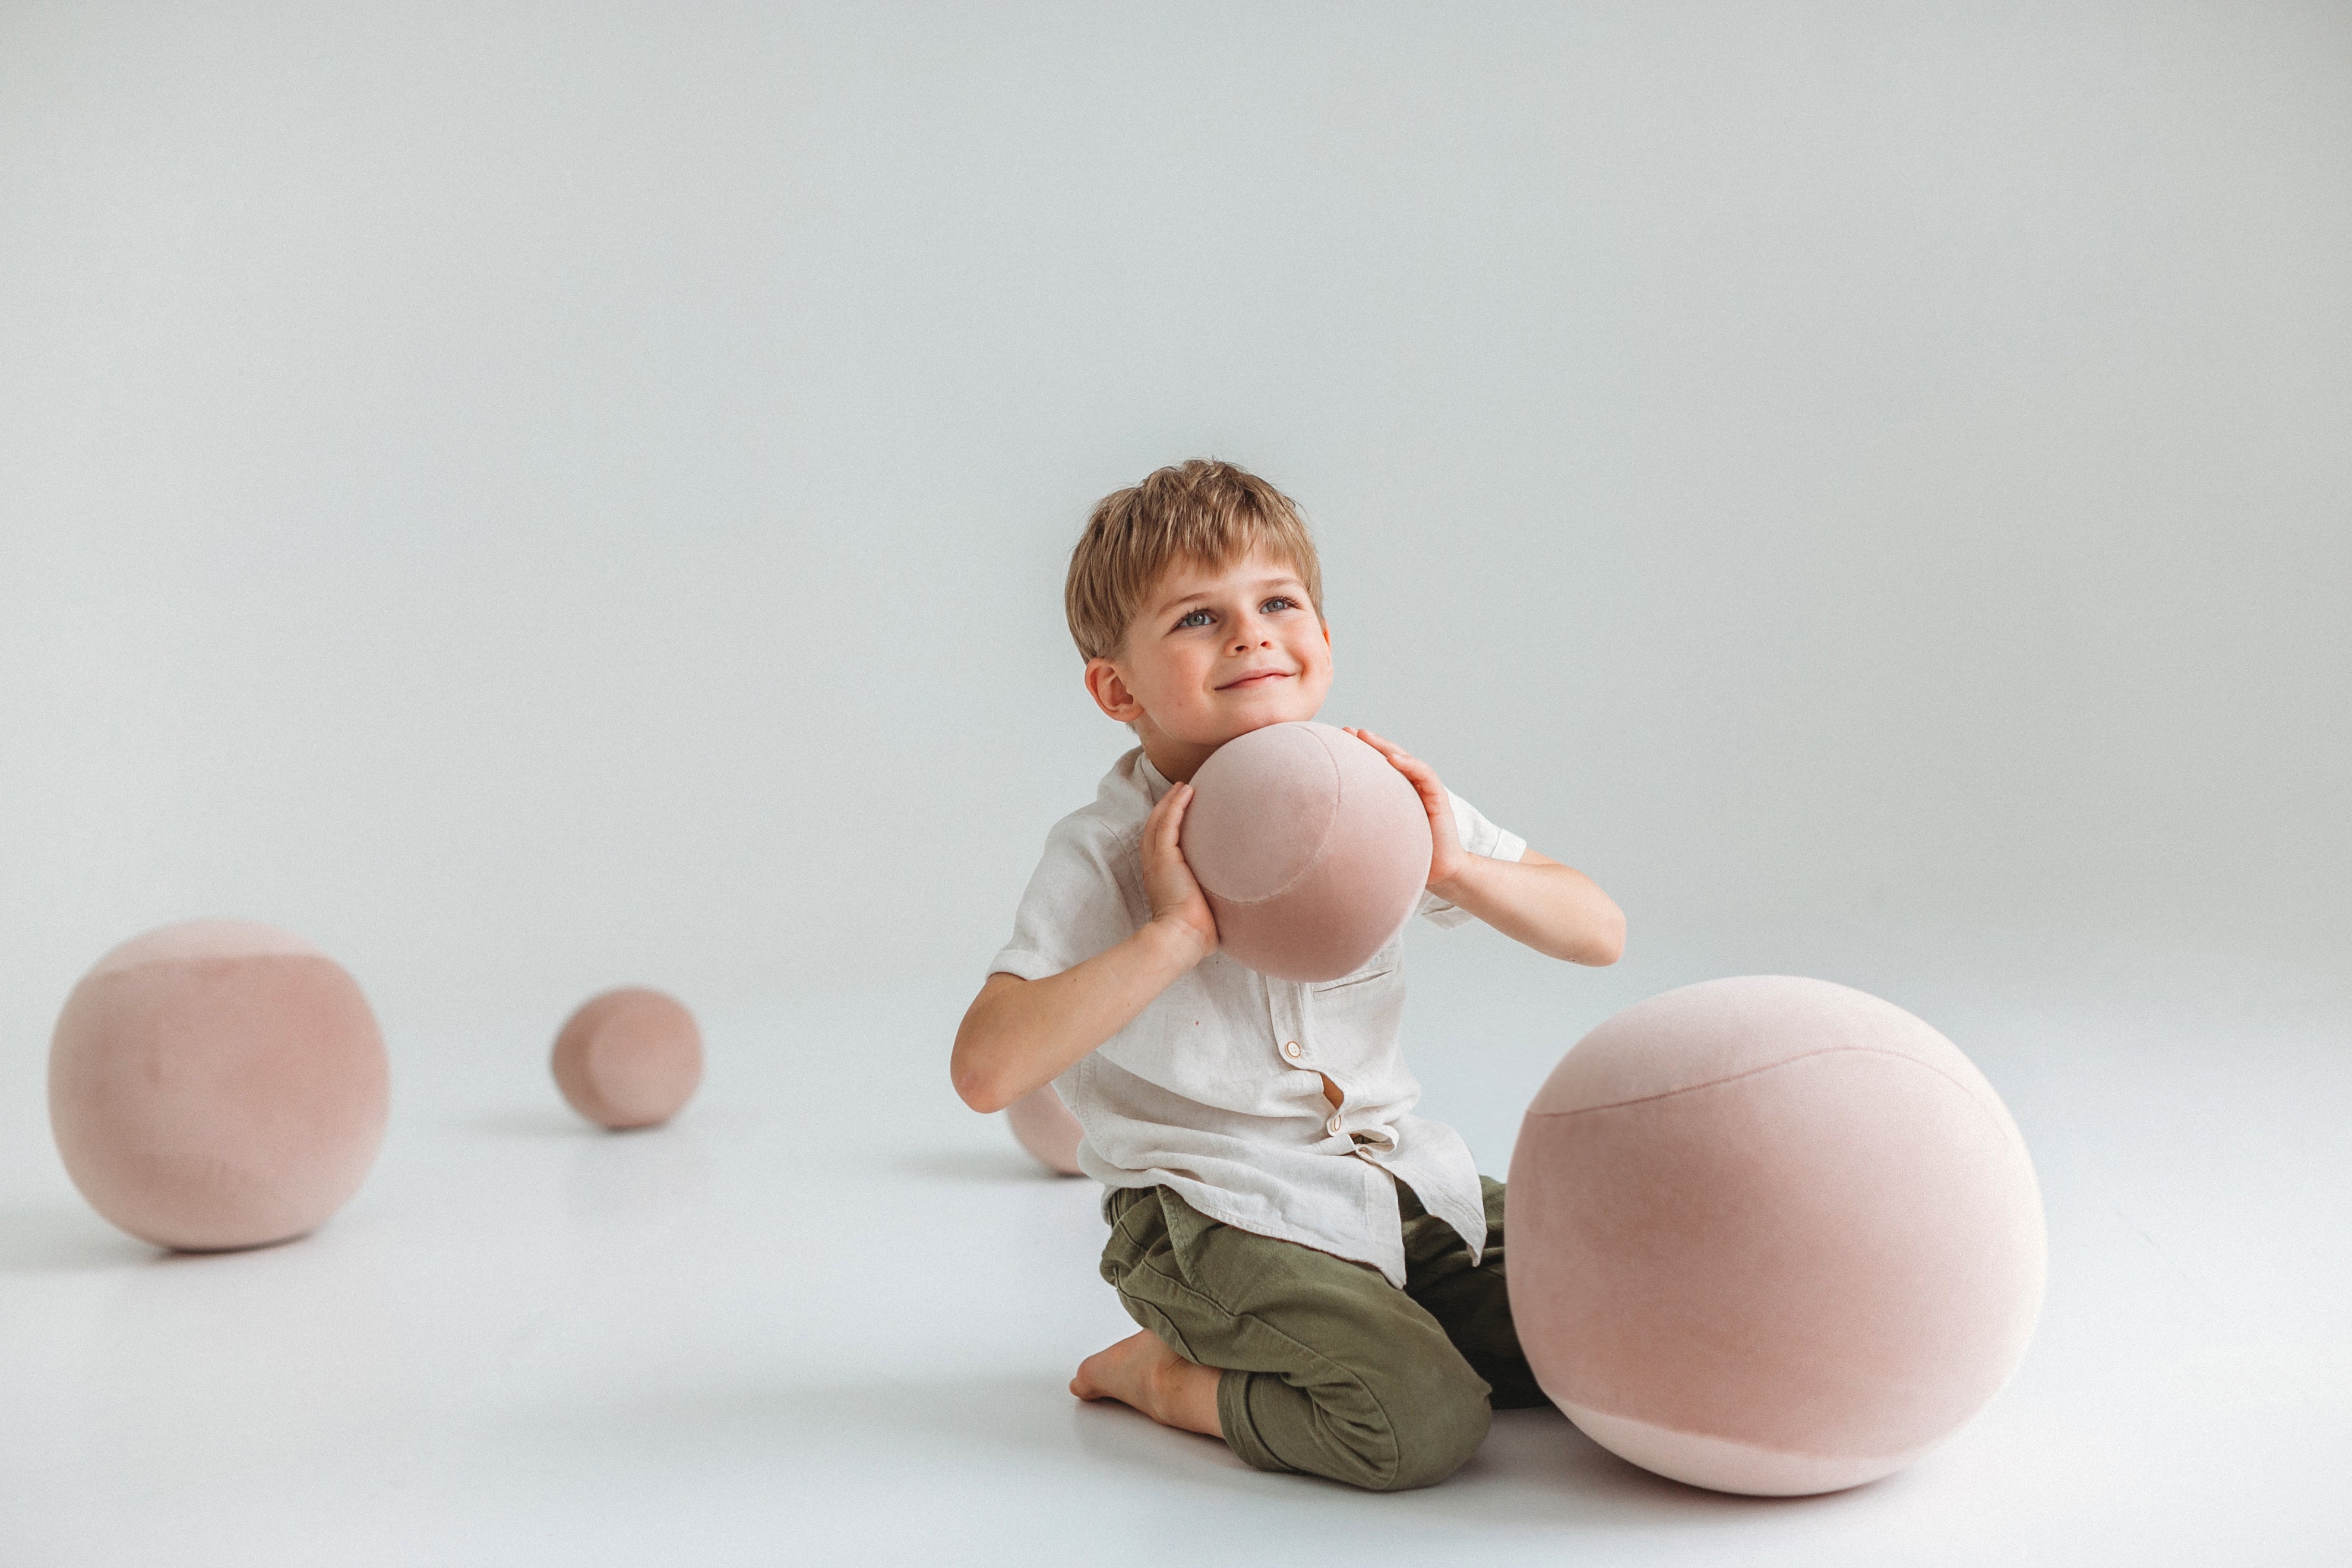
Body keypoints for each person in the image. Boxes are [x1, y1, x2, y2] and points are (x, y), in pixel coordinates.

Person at [951, 459, 1626, 1491]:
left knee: (1609, 1322)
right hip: (1211, 1213)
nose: (1251, 635)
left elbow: (1599, 931)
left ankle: (1386, 1316)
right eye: (1198, 618)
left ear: (1323, 637)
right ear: (1117, 688)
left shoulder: (1375, 798)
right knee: (1419, 1422)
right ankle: (1169, 1378)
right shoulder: (1106, 852)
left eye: (1277, 603)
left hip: (1389, 1176)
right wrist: (1175, 936)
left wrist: (1452, 868)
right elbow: (986, 1071)